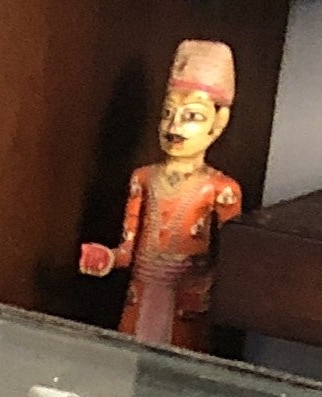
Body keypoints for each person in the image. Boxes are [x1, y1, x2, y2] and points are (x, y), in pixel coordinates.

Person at [79, 40, 246, 350]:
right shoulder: (143, 178)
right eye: (168, 113)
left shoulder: (222, 189)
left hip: (185, 305)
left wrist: (204, 287)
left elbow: (231, 262)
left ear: (218, 123)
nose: (173, 126)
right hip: (140, 296)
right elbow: (128, 251)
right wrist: (108, 258)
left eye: (192, 116)